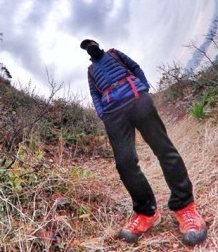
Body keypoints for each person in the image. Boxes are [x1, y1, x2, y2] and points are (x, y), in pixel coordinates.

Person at [80, 38, 208, 246]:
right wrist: (103, 113)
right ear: (87, 52)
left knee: (163, 149)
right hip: (113, 112)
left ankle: (185, 207)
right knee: (125, 162)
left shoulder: (114, 53)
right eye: (86, 47)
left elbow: (135, 67)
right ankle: (147, 212)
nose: (89, 47)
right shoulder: (90, 71)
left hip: (137, 99)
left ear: (97, 44)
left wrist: (143, 89)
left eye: (90, 43)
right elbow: (94, 94)